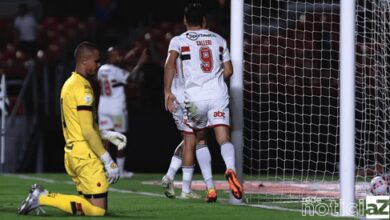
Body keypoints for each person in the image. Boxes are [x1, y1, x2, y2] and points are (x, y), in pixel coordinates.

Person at [18, 41, 127, 216]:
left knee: (88, 205)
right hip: (85, 155)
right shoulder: (83, 88)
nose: (98, 65)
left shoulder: (70, 83)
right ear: (84, 60)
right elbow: (86, 130)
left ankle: (42, 197)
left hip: (73, 152)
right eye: (96, 61)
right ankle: (43, 197)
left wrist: (105, 134)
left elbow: (80, 122)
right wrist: (107, 159)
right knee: (97, 210)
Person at [164, 3, 243, 200]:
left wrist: (167, 91)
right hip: (217, 94)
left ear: (184, 20)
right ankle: (231, 168)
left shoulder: (178, 40)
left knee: (199, 140)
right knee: (223, 137)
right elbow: (229, 71)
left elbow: (169, 64)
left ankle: (210, 187)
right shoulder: (219, 39)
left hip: (194, 98)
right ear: (205, 20)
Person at [162, 59, 216, 202]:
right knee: (197, 140)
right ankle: (187, 189)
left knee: (187, 140)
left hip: (175, 97)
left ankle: (169, 175)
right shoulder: (193, 48)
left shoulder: (174, 49)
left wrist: (167, 92)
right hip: (191, 97)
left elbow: (168, 67)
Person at [97, 46, 147, 178]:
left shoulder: (101, 69)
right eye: (117, 55)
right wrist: (140, 63)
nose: (119, 57)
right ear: (111, 56)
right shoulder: (116, 71)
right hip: (117, 108)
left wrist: (126, 58)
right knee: (120, 138)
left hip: (103, 107)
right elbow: (130, 78)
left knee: (106, 139)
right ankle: (120, 170)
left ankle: (107, 169)